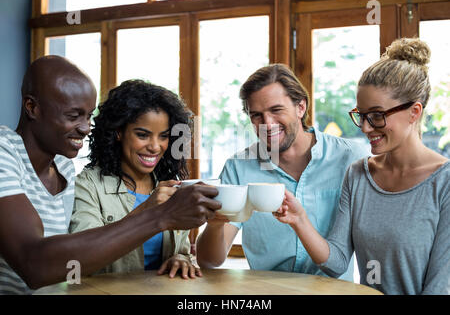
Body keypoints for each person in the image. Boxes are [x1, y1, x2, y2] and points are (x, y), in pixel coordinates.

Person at [0, 55, 221, 295]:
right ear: (32, 107)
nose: (85, 128)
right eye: (73, 116)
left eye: (88, 116)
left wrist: (183, 255)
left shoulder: (63, 165)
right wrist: (160, 215)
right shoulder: (5, 152)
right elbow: (34, 264)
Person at [273, 38, 449, 295]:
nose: (366, 127)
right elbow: (337, 262)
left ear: (414, 112)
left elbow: (439, 286)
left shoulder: (443, 182)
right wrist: (299, 220)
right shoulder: (359, 174)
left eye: (377, 116)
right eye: (362, 115)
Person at [196, 63, 369, 281]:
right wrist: (214, 225)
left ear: (301, 107)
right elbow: (210, 261)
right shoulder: (239, 167)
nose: (267, 123)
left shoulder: (350, 158)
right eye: (256, 115)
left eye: (276, 110)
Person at [70, 79, 199, 279]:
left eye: (163, 136)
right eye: (143, 135)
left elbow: (182, 251)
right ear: (119, 132)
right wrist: (148, 210)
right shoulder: (87, 187)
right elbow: (80, 260)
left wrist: (181, 259)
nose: (155, 147)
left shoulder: (168, 186)